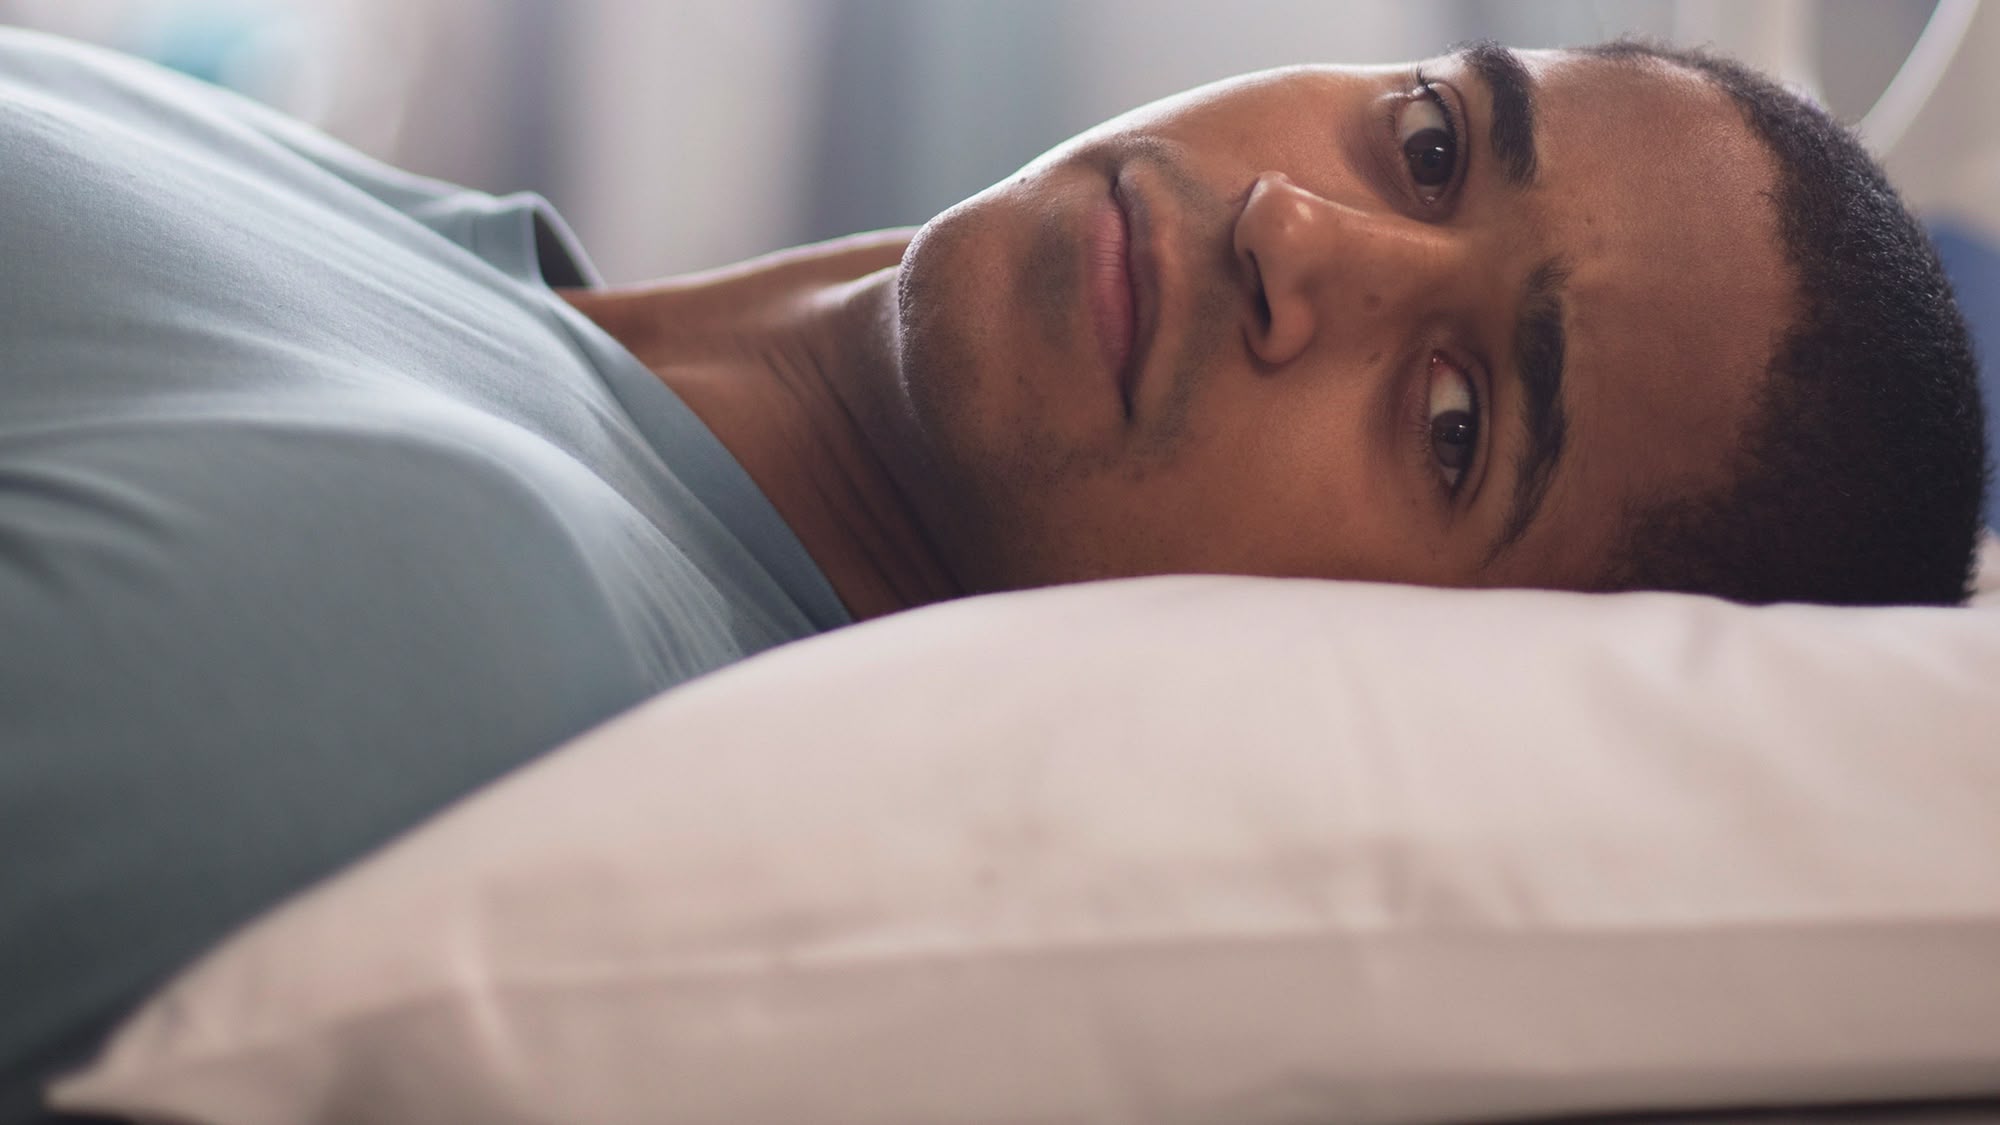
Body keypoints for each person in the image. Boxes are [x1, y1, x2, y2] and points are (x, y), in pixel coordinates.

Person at [0, 24, 1985, 1123]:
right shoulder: (457, 268)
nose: (1299, 233)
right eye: (1429, 142)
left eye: (1457, 423)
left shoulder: (425, 617)